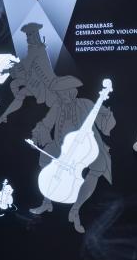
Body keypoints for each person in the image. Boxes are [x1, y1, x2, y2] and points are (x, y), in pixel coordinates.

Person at [29, 75, 115, 233]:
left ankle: (75, 210)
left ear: (72, 92)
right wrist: (36, 138)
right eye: (59, 93)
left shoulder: (85, 103)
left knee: (99, 164)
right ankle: (47, 202)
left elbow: (105, 122)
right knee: (45, 154)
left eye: (64, 93)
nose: (61, 96)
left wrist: (105, 115)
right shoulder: (57, 107)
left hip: (86, 146)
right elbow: (45, 124)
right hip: (63, 145)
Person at [0, 22, 55, 125]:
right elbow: (26, 62)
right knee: (14, 84)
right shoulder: (33, 48)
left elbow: (26, 65)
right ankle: (17, 103)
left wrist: (7, 71)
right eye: (27, 35)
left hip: (42, 84)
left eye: (29, 35)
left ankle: (12, 108)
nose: (27, 38)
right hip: (34, 78)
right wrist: (16, 65)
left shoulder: (38, 49)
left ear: (35, 35)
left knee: (18, 89)